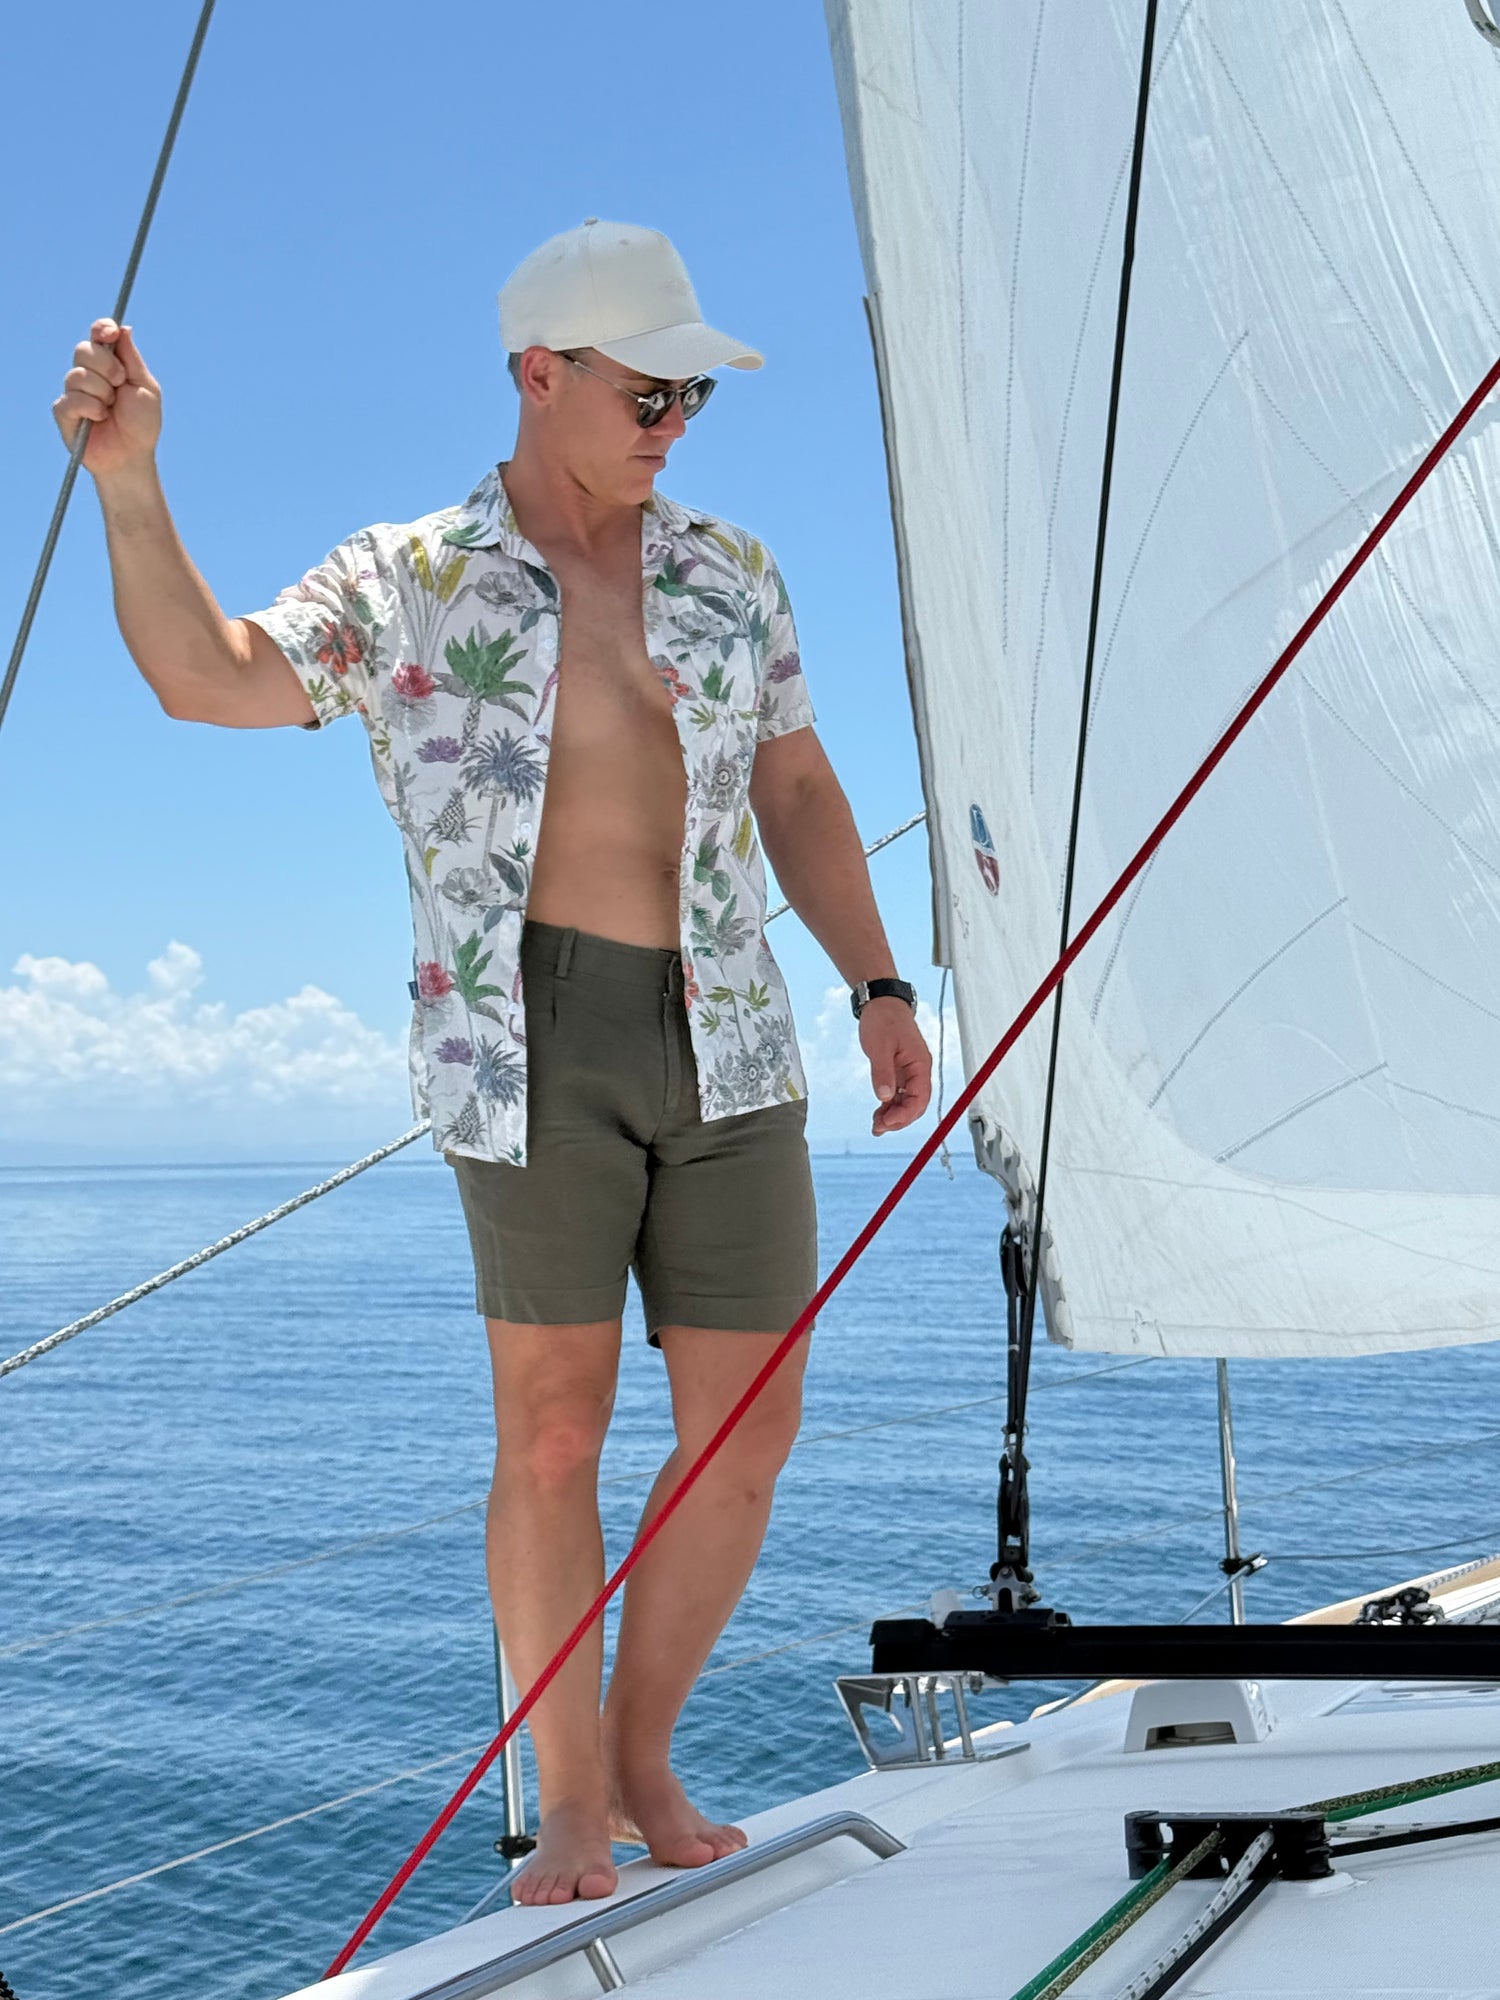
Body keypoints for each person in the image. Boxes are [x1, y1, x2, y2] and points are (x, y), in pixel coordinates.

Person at [53, 217, 933, 1906]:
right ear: (541, 373)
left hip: (734, 1029)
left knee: (747, 1427)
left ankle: (646, 1746)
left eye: (694, 389)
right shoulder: (412, 574)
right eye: (647, 384)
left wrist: (879, 981)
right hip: (522, 1034)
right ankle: (576, 1795)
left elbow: (802, 790)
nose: (677, 413)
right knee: (551, 1434)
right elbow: (203, 676)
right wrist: (130, 483)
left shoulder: (731, 570)